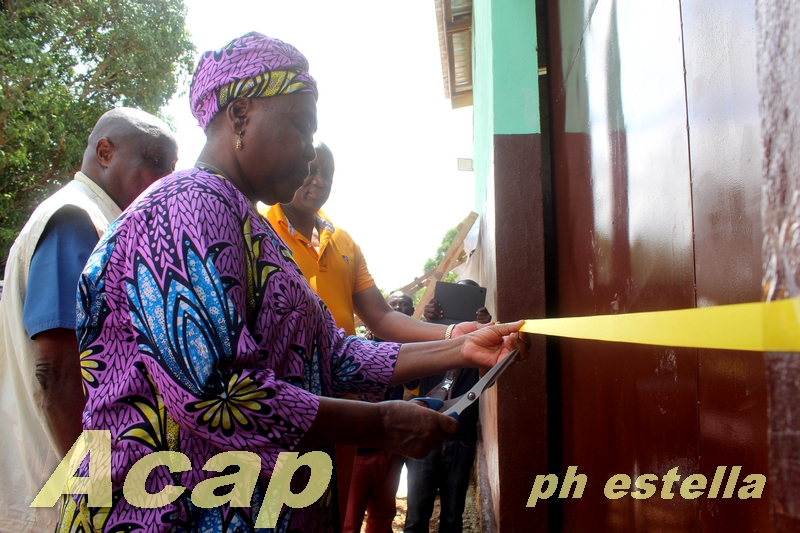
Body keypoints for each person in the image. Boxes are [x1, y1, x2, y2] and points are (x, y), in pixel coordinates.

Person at [55, 32, 527, 533]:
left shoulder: (252, 227)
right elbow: (215, 394)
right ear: (240, 115)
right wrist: (382, 423)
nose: (309, 151)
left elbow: (333, 355)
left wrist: (462, 347)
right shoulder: (188, 204)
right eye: (301, 126)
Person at [261, 141, 476, 524]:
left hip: (341, 403)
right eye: (310, 168)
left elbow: (380, 318)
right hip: (282, 403)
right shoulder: (259, 230)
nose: (319, 180)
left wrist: (454, 333)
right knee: (277, 513)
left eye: (328, 172)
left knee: (333, 513)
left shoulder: (343, 242)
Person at [0, 108, 178, 532]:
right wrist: (99, 494)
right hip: (62, 497)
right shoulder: (78, 221)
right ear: (104, 152)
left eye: (171, 170)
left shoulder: (103, 223)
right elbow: (57, 373)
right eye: (155, 162)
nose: (165, 180)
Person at [404, 280, 493, 533]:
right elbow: (409, 380)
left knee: (453, 517)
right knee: (415, 517)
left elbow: (489, 379)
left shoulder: (482, 340)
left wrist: (487, 331)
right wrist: (424, 326)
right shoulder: (430, 335)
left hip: (460, 435)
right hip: (425, 428)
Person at [343, 291, 415, 533]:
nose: (399, 309)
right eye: (393, 305)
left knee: (383, 516)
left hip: (389, 450)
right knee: (349, 521)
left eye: (405, 306)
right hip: (358, 454)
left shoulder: (408, 351)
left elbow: (415, 387)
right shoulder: (357, 349)